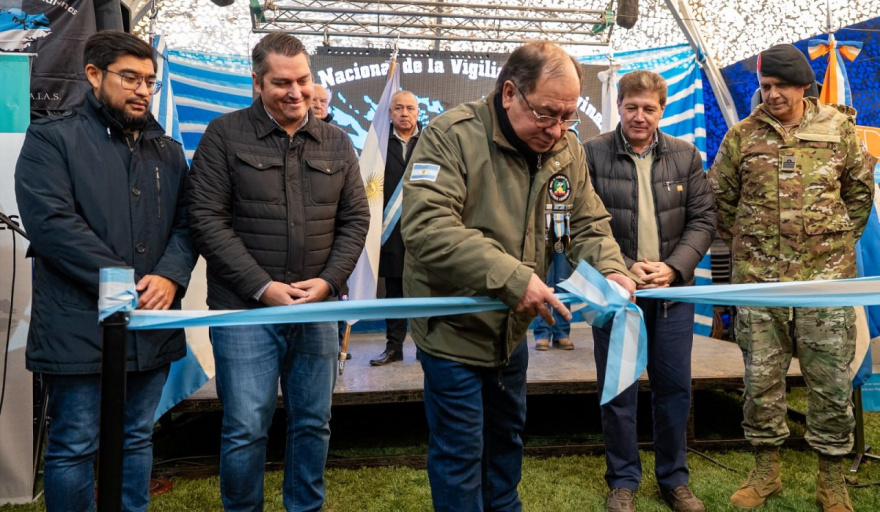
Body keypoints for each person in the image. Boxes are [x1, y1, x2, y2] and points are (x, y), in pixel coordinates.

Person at [401, 41, 637, 512]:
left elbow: (581, 225)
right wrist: (513, 279)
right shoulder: (451, 136)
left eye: (568, 116)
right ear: (510, 92)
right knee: (461, 454)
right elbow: (428, 228)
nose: (558, 129)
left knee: (506, 445)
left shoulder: (565, 150)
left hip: (510, 335)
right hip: (452, 335)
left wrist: (611, 267)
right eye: (547, 114)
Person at [14, 30, 196, 512]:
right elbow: (53, 226)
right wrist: (127, 282)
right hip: (78, 326)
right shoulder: (50, 139)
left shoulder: (169, 152)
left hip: (150, 326)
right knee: (75, 443)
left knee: (136, 437)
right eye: (130, 78)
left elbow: (187, 224)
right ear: (94, 75)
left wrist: (170, 276)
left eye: (150, 81)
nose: (142, 89)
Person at [186, 33, 369, 511]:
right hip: (244, 312)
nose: (296, 92)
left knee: (313, 421)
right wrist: (261, 287)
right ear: (256, 82)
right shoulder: (224, 135)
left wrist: (330, 282)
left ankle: (304, 507)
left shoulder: (336, 141)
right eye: (281, 82)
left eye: (304, 80)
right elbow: (205, 219)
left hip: (317, 312)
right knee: (246, 426)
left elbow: (356, 220)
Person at [708, 43, 876, 512]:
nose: (772, 94)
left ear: (804, 86)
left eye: (781, 86)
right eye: (765, 86)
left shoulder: (838, 128)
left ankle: (832, 480)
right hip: (760, 285)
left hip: (824, 284)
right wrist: (755, 248)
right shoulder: (741, 135)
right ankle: (765, 474)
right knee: (761, 382)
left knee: (830, 384)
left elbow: (860, 195)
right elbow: (720, 201)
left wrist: (827, 247)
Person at [584, 70, 716, 512]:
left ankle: (674, 480)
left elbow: (703, 221)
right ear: (618, 106)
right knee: (618, 391)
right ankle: (623, 482)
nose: (639, 117)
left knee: (675, 389)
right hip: (616, 296)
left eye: (649, 109)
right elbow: (582, 227)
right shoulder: (590, 155)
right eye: (631, 107)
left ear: (662, 110)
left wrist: (674, 268)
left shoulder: (686, 156)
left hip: (673, 296)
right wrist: (621, 268)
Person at [370, 90, 422, 366]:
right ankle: (394, 347)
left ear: (418, 112)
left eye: (410, 108)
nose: (404, 113)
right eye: (398, 108)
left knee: (427, 294)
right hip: (390, 233)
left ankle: (428, 351)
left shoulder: (432, 142)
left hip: (425, 232)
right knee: (395, 294)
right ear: (390, 113)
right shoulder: (376, 144)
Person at [531, 252, 573, 350]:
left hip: (564, 238)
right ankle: (542, 332)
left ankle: (562, 333)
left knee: (563, 282)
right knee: (542, 281)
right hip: (543, 238)